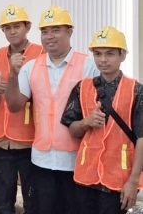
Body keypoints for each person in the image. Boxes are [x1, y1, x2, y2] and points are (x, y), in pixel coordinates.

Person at [5, 5, 99, 214]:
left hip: (77, 161)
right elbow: (14, 105)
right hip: (42, 160)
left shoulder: (88, 65)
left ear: (70, 32)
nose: (49, 36)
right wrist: (12, 74)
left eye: (56, 30)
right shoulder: (30, 67)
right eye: (45, 31)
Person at [61, 26, 143, 214]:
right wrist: (86, 122)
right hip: (86, 177)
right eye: (98, 54)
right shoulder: (82, 87)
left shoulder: (137, 91)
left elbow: (142, 138)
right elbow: (72, 129)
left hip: (118, 179)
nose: (103, 60)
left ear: (123, 55)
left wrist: (133, 181)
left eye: (110, 54)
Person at [0, 5, 43, 214]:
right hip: (0, 142)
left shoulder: (41, 54)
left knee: (33, 204)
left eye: (17, 26)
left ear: (27, 27)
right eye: (7, 28)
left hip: (30, 141)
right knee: (2, 205)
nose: (12, 31)